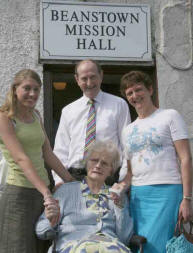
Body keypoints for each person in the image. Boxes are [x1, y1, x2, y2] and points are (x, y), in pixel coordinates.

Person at [0, 69, 74, 253]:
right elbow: (20, 158)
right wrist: (46, 193)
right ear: (15, 89)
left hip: (43, 192)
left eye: (36, 89)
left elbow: (47, 153)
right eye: (27, 88)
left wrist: (71, 181)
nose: (32, 94)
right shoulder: (4, 117)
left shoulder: (36, 116)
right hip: (19, 193)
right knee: (18, 247)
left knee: (42, 246)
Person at [119, 70, 193, 253]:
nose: (135, 96)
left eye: (138, 90)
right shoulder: (127, 130)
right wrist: (119, 188)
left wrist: (187, 199)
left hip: (167, 191)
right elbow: (130, 171)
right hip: (138, 196)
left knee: (160, 246)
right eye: (130, 93)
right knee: (141, 245)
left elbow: (185, 158)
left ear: (150, 89)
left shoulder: (170, 116)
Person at [36, 141, 133, 253]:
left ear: (111, 170)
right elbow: (40, 231)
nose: (98, 166)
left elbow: (124, 238)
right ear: (86, 163)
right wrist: (51, 221)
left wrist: (119, 207)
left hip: (110, 247)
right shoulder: (65, 191)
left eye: (104, 163)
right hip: (74, 246)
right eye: (94, 160)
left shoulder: (117, 196)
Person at [53, 59, 131, 184]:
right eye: (84, 78)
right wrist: (59, 180)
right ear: (77, 80)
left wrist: (122, 178)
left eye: (93, 77)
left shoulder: (119, 105)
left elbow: (127, 145)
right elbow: (61, 149)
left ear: (101, 76)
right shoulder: (68, 111)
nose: (89, 83)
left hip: (108, 176)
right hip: (74, 177)